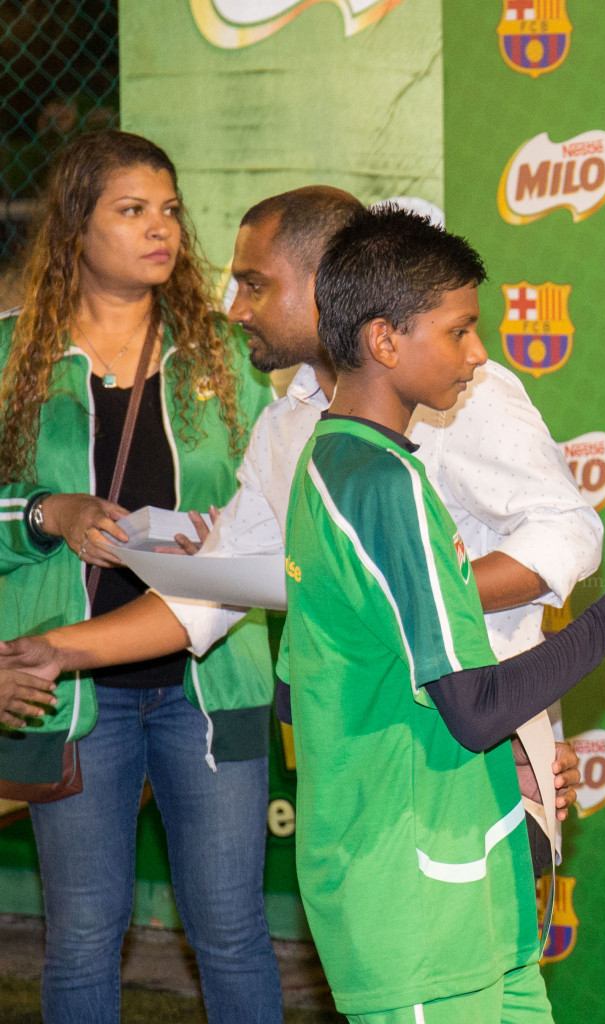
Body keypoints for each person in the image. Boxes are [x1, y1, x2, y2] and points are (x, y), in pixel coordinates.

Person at [0, 185, 595, 870]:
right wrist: (58, 652)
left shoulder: (462, 392)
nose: (234, 308)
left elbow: (567, 532)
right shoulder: (284, 426)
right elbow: (209, 591)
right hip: (362, 756)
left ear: (326, 286)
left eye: (255, 284)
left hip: (487, 746)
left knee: (486, 973)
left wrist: (411, 596)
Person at [277, 205, 605, 1022]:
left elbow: (423, 690)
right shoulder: (378, 486)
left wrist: (510, 761)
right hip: (412, 904)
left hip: (466, 877)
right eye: (460, 330)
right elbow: (474, 708)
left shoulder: (358, 464)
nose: (477, 354)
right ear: (383, 340)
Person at [0, 131, 281, 1023]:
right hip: (74, 693)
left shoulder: (230, 358)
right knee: (84, 933)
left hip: (215, 683)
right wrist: (50, 512)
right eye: (132, 210)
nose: (160, 228)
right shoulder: (12, 357)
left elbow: (273, 512)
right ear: (76, 227)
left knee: (232, 929)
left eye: (168, 210)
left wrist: (223, 534)